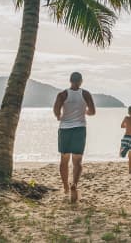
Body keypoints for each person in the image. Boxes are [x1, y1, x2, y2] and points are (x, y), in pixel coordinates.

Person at [53, 71, 96, 203]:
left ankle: (65, 186)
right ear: (81, 81)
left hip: (65, 129)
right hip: (79, 129)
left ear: (70, 80)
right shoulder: (86, 94)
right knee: (77, 161)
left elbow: (56, 110)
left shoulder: (63, 94)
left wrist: (59, 116)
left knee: (64, 159)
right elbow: (93, 112)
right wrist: (85, 112)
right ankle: (74, 185)